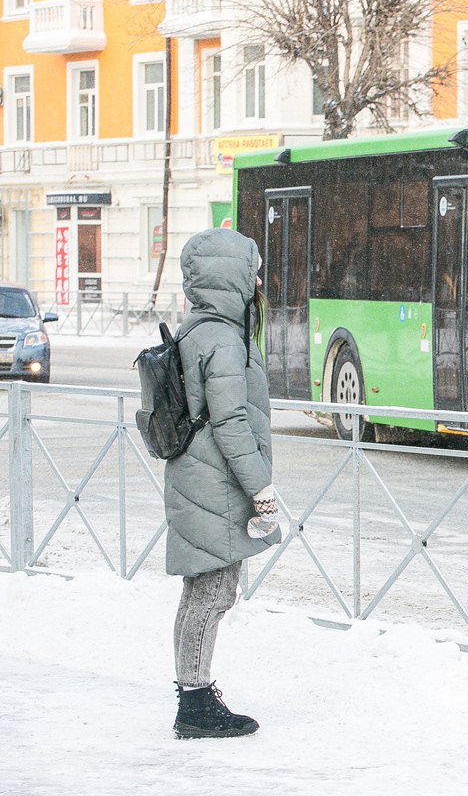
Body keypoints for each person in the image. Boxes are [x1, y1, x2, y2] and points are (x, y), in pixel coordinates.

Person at [166, 227, 282, 739]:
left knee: (204, 592)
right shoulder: (222, 338)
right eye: (252, 268)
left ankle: (193, 693)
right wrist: (261, 488)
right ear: (230, 274)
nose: (259, 278)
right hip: (216, 482)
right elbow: (231, 421)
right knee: (212, 592)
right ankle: (193, 703)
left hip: (199, 474)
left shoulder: (198, 329)